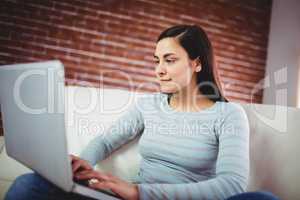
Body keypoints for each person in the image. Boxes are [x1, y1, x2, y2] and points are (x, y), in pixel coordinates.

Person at [5, 25, 280, 200]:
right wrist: (81, 167)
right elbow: (105, 141)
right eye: (156, 60)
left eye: (170, 60)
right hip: (129, 197)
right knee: (29, 186)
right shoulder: (149, 106)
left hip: (148, 195)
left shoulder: (228, 115)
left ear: (197, 64)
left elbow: (231, 185)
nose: (158, 69)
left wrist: (140, 193)